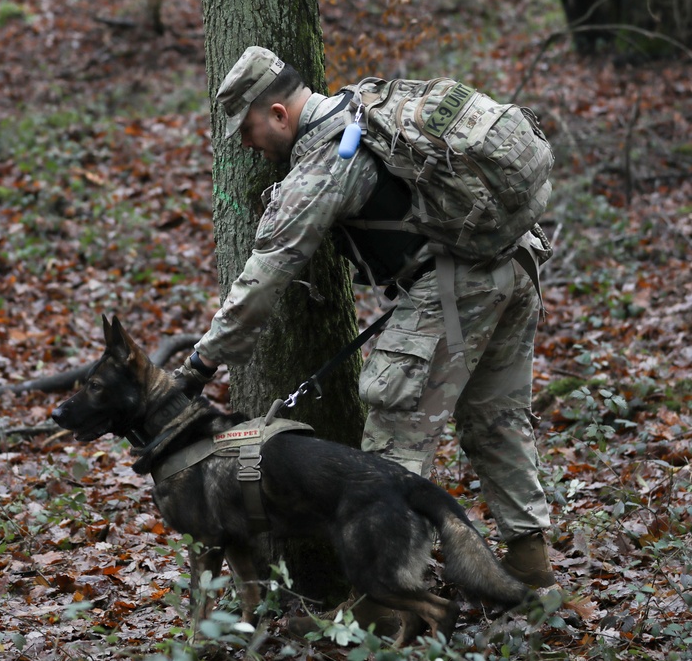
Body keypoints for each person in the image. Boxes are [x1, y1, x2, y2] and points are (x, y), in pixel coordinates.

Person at [173, 46, 556, 589]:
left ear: (279, 114)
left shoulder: (328, 160)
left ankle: (389, 603)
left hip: (455, 287)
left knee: (390, 450)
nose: (248, 146)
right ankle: (531, 567)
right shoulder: (368, 105)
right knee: (498, 421)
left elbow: (266, 273)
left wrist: (202, 360)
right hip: (514, 265)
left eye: (249, 130)